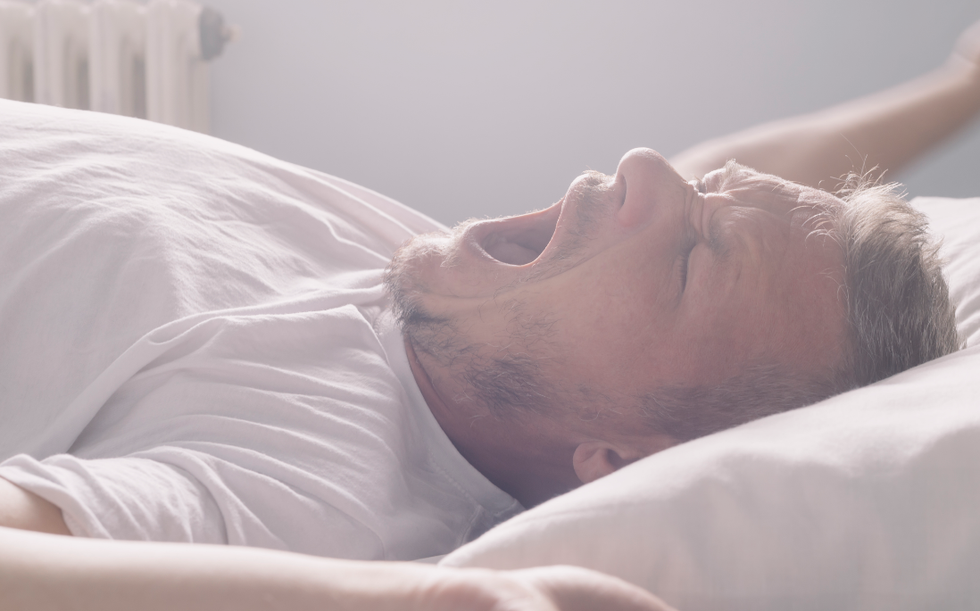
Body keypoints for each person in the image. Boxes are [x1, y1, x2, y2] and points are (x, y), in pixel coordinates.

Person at [1, 16, 979, 611]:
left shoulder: (316, 479)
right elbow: (748, 177)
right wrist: (961, 87)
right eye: (701, 192)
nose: (639, 167)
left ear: (620, 455)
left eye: (689, 253)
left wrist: (431, 598)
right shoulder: (453, 302)